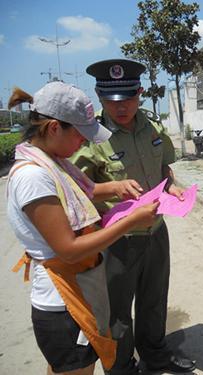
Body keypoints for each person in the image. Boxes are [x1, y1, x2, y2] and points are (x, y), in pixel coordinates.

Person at [7, 82, 160, 375]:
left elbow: (82, 192)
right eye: (79, 134)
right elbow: (69, 249)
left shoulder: (54, 162)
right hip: (63, 304)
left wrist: (115, 187)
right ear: (54, 128)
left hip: (74, 294)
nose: (84, 142)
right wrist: (131, 220)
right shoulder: (33, 177)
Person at [71, 59, 195, 374]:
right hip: (117, 240)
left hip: (155, 231)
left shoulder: (153, 127)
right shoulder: (89, 138)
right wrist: (111, 187)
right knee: (117, 311)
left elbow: (164, 170)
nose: (122, 106)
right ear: (99, 96)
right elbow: (75, 190)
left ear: (139, 93)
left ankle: (155, 355)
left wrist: (174, 189)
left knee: (154, 300)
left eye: (128, 97)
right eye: (113, 101)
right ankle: (122, 366)